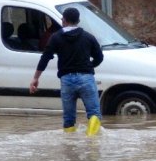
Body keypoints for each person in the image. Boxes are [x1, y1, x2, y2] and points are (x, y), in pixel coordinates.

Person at [29, 7, 104, 135]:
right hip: (86, 77)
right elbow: (99, 57)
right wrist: (89, 66)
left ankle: (70, 146)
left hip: (66, 80)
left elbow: (45, 58)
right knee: (94, 114)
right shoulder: (88, 37)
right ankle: (91, 140)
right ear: (78, 20)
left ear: (63, 20)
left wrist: (36, 78)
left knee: (69, 119)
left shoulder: (55, 38)